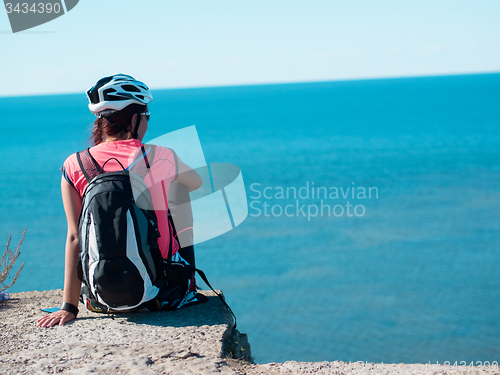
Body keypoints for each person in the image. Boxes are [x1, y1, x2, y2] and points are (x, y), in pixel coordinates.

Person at [37, 74, 204, 328]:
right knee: (179, 192)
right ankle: (189, 283)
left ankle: (77, 300)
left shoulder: (74, 164)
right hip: (163, 294)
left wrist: (69, 307)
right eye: (146, 115)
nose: (148, 122)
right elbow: (196, 182)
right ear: (135, 119)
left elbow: (74, 238)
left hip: (100, 298)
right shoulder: (160, 156)